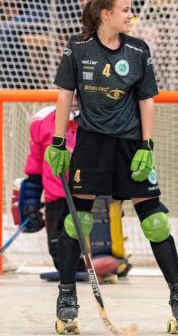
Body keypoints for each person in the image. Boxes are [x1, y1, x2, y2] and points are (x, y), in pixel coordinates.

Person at [45, 0, 178, 334]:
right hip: (91, 144)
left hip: (129, 146)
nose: (131, 15)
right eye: (125, 10)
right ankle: (67, 296)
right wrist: (59, 142)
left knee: (155, 222)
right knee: (76, 222)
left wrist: (147, 146)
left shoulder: (138, 50)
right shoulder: (78, 48)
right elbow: (65, 95)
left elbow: (146, 101)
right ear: (105, 14)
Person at [19, 102, 129, 281]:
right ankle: (97, 266)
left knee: (100, 257)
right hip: (57, 200)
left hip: (92, 198)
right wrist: (30, 200)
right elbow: (36, 164)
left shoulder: (104, 119)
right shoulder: (42, 121)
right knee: (62, 259)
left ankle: (110, 258)